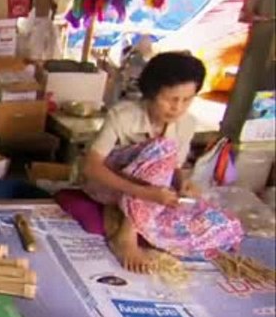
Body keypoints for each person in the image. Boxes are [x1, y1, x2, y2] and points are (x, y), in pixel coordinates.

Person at [75, 52, 243, 272]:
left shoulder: (187, 123)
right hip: (108, 186)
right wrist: (144, 193)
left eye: (187, 100)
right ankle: (126, 235)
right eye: (170, 99)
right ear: (151, 94)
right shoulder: (123, 115)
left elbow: (173, 167)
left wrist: (182, 183)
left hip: (151, 192)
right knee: (163, 147)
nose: (177, 107)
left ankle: (146, 223)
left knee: (223, 223)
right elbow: (91, 167)